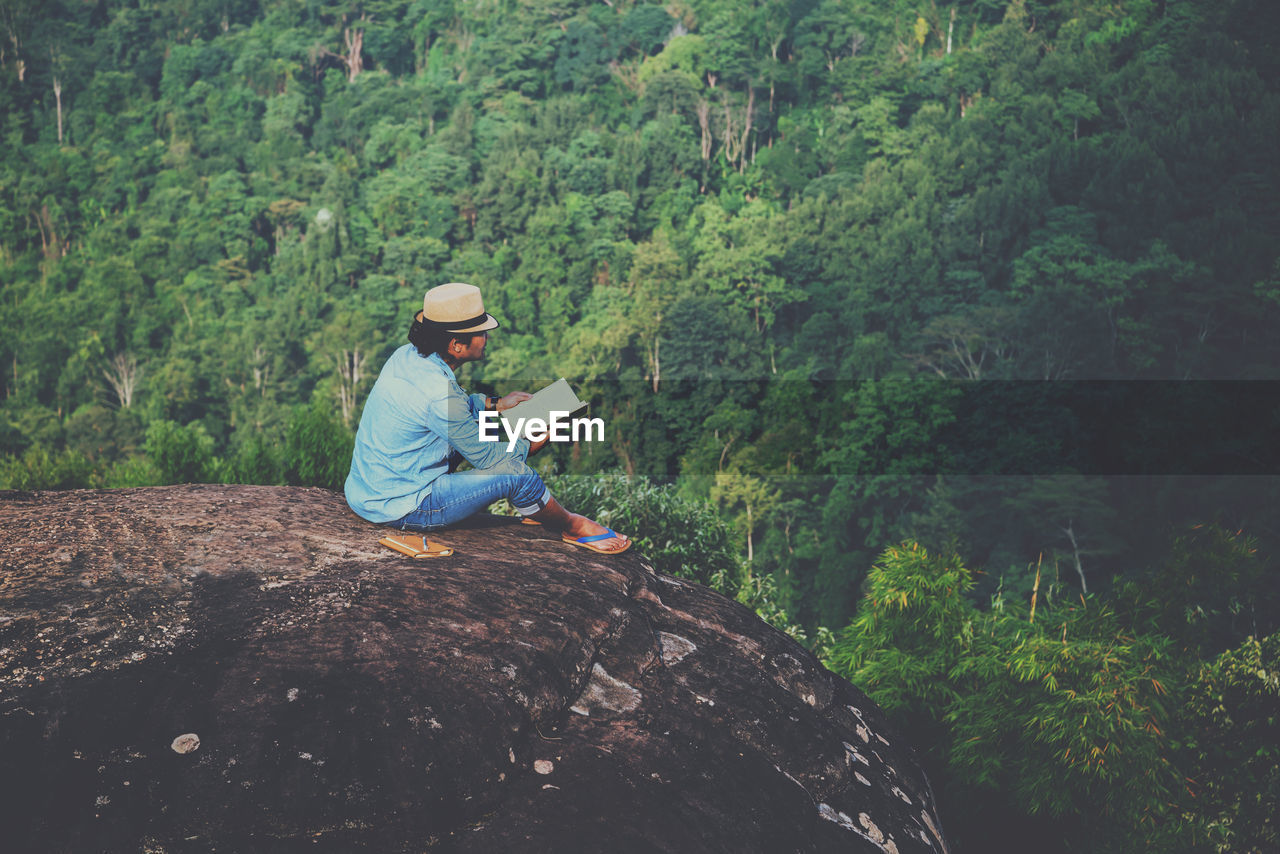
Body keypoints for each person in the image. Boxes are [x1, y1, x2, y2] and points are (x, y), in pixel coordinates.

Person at [344, 282, 630, 554]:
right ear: (457, 345)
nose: (487, 337)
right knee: (517, 476)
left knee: (485, 429)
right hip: (405, 505)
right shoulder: (439, 395)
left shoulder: (406, 356)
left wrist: (497, 405)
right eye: (481, 331)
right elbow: (490, 459)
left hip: (370, 490)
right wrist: (536, 441)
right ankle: (572, 525)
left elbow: (450, 412)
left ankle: (535, 507)